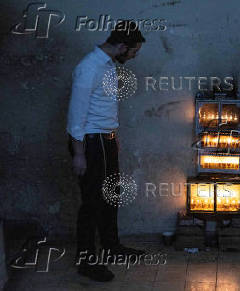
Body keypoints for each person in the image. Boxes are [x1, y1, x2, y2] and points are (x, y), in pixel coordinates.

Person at [67, 20, 145, 282]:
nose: (134, 56)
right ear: (122, 46)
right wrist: (79, 153)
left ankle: (112, 247)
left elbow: (104, 107)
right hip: (90, 142)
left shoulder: (108, 64)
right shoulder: (89, 68)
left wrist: (114, 136)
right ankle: (86, 261)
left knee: (111, 194)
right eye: (133, 51)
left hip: (105, 139)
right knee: (92, 202)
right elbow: (76, 115)